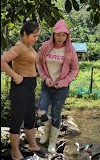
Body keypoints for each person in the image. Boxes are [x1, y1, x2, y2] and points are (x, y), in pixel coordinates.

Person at [1, 19, 47, 159]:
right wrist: (15, 76)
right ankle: (15, 152)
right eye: (34, 35)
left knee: (29, 118)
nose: (36, 38)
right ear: (25, 34)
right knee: (17, 120)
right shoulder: (20, 46)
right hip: (20, 87)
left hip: (29, 87)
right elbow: (2, 60)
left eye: (38, 35)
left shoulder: (29, 47)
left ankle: (32, 144)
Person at [36, 19, 79, 153]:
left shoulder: (70, 50)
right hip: (46, 86)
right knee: (41, 111)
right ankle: (46, 132)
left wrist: (63, 82)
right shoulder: (45, 47)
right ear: (53, 34)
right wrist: (45, 77)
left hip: (61, 89)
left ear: (67, 36)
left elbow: (75, 69)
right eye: (58, 34)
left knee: (56, 114)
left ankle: (52, 142)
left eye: (64, 35)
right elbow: (38, 63)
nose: (61, 38)